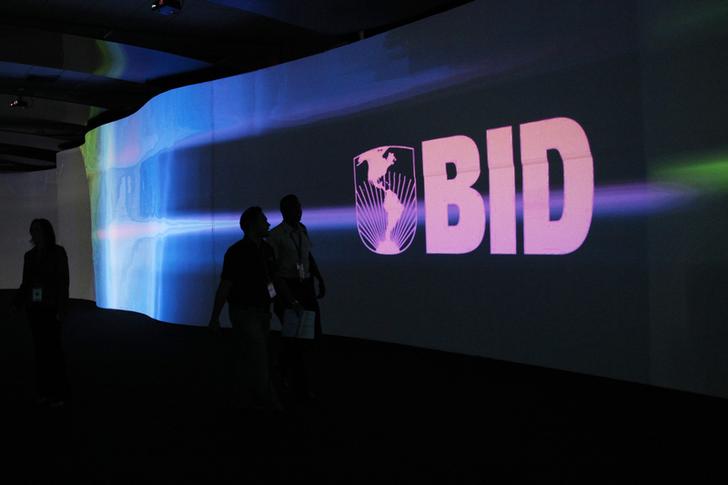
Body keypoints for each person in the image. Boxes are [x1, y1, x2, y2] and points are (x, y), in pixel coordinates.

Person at [208, 207, 296, 412]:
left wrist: (291, 300)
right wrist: (214, 317)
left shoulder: (265, 250)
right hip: (245, 311)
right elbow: (226, 284)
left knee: (252, 354)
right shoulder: (237, 252)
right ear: (252, 224)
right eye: (263, 220)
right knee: (258, 355)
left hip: (261, 311)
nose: (268, 224)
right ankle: (269, 401)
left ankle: (245, 399)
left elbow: (274, 278)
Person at [267, 194, 326, 401]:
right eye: (295, 208)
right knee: (294, 338)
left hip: (305, 286)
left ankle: (293, 376)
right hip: (288, 288)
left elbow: (307, 255)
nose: (300, 211)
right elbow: (271, 270)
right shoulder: (275, 236)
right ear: (285, 211)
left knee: (310, 334)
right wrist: (275, 296)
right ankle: (289, 378)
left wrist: (318, 277)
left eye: (300, 207)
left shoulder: (302, 230)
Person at [11, 218, 70, 407]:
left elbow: (63, 282)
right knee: (40, 351)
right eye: (32, 230)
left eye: (37, 230)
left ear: (46, 232)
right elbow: (26, 282)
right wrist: (18, 302)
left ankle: (59, 393)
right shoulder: (29, 256)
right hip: (34, 308)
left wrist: (62, 308)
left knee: (53, 350)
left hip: (51, 307)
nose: (34, 234)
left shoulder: (58, 253)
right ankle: (44, 391)